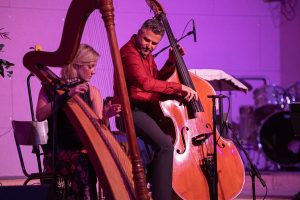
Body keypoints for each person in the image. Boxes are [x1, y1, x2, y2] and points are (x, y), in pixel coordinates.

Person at [115, 18, 198, 200]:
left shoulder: (147, 55)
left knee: (168, 140)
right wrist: (180, 88)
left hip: (145, 110)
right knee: (165, 146)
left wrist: (171, 62)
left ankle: (158, 190)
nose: (149, 46)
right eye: (146, 40)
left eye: (154, 43)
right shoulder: (129, 53)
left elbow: (157, 79)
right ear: (139, 33)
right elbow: (145, 83)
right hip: (130, 111)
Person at [36, 44, 121, 199]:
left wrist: (106, 116)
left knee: (86, 159)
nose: (94, 71)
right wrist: (66, 95)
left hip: (83, 151)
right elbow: (40, 115)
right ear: (76, 65)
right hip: (58, 151)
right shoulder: (50, 89)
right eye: (90, 66)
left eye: (94, 66)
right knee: (82, 161)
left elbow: (100, 129)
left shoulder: (93, 92)